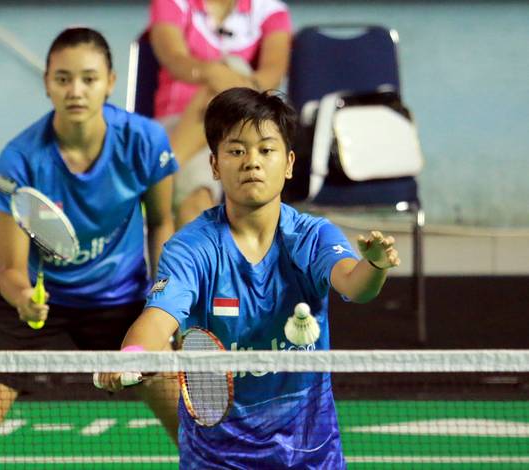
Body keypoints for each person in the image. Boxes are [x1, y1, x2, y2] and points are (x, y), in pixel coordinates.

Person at [98, 87, 401, 468]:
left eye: (266, 150)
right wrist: (131, 357)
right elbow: (158, 319)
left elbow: (355, 286)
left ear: (288, 163)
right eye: (237, 151)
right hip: (217, 459)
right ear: (214, 165)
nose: (252, 162)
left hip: (308, 457)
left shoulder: (312, 236)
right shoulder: (192, 248)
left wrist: (374, 266)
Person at [0, 28, 180, 469]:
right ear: (47, 83)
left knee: (197, 432)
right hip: (34, 311)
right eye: (63, 79)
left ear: (110, 82)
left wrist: (164, 304)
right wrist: (23, 299)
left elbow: (161, 222)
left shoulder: (144, 141)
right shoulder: (20, 159)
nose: (76, 91)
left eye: (89, 78)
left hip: (123, 305)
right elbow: (11, 270)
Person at [148, 0, 292, 227]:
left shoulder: (271, 10)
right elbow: (174, 58)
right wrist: (213, 73)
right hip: (176, 122)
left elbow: (272, 73)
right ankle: (163, 172)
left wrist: (226, 81)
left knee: (197, 203)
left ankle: (159, 174)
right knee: (198, 200)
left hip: (232, 129)